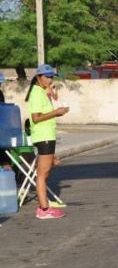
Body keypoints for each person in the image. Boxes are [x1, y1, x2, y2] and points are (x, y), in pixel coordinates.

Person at [25, 64, 69, 219]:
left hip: (47, 135)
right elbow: (36, 118)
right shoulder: (36, 93)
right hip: (42, 135)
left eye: (51, 77)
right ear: (38, 77)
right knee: (42, 174)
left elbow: (53, 99)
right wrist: (56, 112)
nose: (50, 80)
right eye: (47, 77)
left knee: (46, 171)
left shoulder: (42, 91)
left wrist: (52, 93)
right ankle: (43, 209)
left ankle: (44, 203)